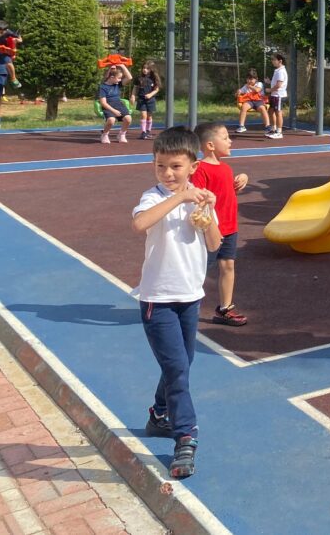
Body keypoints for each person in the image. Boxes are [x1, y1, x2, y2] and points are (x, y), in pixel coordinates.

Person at [132, 126, 221, 480]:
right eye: (160, 166)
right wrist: (180, 197)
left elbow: (214, 244)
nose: (167, 173)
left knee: (181, 363)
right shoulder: (152, 198)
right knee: (178, 370)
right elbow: (140, 224)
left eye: (175, 167)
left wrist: (206, 211)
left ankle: (158, 414)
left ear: (193, 166)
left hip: (190, 297)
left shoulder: (200, 198)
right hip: (158, 299)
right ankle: (185, 437)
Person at [191, 121, 249, 327]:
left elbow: (226, 193)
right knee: (199, 270)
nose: (230, 141)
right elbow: (198, 199)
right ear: (210, 145)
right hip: (211, 231)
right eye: (225, 138)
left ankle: (225, 308)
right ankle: (186, 305)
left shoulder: (225, 168)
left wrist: (241, 180)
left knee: (228, 266)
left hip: (230, 227)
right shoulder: (200, 169)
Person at [98, 63, 133, 144]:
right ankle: (104, 134)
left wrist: (122, 66)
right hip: (108, 106)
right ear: (112, 77)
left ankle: (121, 134)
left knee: (128, 119)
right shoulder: (103, 87)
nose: (120, 80)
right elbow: (103, 103)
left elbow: (129, 77)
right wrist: (114, 111)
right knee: (111, 120)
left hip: (118, 104)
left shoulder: (117, 84)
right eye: (119, 78)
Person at [133, 61, 161, 140]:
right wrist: (133, 96)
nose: (145, 70)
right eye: (144, 68)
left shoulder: (154, 78)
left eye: (147, 68)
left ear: (151, 70)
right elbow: (135, 88)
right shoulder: (139, 78)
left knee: (149, 116)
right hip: (141, 99)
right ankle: (143, 132)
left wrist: (150, 94)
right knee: (143, 115)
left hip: (150, 100)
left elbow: (156, 89)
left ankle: (148, 131)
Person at [235, 69, 269, 134]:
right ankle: (241, 126)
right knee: (244, 107)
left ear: (256, 79)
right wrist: (238, 92)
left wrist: (250, 86)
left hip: (259, 101)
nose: (249, 81)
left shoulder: (259, 84)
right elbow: (239, 92)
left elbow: (257, 90)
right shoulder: (245, 86)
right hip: (249, 101)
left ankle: (267, 126)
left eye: (251, 79)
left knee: (263, 109)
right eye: (247, 79)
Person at [266, 53, 288, 140]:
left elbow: (279, 85)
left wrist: (270, 90)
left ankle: (279, 132)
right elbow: (276, 82)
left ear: (280, 61)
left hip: (278, 95)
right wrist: (269, 82)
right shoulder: (278, 70)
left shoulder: (281, 71)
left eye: (274, 60)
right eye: (272, 59)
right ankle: (273, 129)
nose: (272, 61)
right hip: (274, 95)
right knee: (270, 111)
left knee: (278, 113)